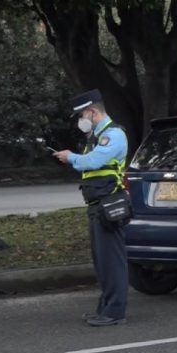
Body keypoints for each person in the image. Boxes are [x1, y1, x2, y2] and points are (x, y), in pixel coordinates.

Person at [53, 89, 129, 327]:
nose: (80, 121)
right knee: (102, 261)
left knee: (112, 261)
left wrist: (71, 157)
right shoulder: (96, 137)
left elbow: (94, 161)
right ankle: (105, 308)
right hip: (97, 205)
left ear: (92, 112)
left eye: (81, 115)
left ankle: (115, 312)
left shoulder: (113, 135)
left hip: (109, 204)